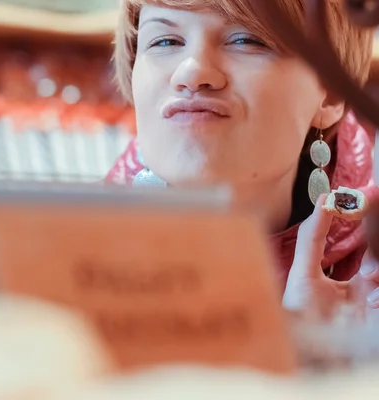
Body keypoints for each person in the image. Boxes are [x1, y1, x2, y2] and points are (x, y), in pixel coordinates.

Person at [105, 0, 379, 313]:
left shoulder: (373, 265)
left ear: (328, 93)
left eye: (246, 40)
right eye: (165, 41)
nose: (192, 71)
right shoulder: (70, 255)